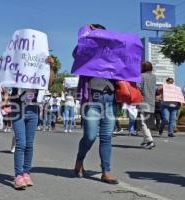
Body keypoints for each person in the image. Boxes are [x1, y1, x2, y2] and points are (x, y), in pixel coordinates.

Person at [73, 24, 118, 184]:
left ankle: (105, 171)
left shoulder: (113, 51)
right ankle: (79, 161)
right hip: (93, 98)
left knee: (106, 137)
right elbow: (76, 53)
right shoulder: (87, 51)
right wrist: (87, 33)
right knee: (90, 136)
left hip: (110, 99)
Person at [10, 56, 55, 190]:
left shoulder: (39, 70)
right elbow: (6, 77)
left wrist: (51, 67)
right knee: (21, 143)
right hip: (18, 108)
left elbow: (50, 82)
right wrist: (6, 64)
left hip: (33, 110)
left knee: (29, 144)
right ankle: (18, 175)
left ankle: (26, 173)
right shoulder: (17, 67)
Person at [137, 61, 156, 149]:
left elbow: (138, 87)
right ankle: (145, 141)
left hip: (143, 100)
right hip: (151, 101)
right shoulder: (154, 76)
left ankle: (149, 140)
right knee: (147, 121)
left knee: (143, 122)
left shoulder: (141, 76)